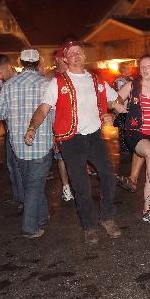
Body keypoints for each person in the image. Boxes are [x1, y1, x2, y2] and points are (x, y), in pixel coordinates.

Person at [24, 41, 121, 243]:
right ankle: (89, 226)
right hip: (71, 139)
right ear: (65, 59)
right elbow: (43, 109)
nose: (76, 55)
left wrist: (112, 113)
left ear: (84, 56)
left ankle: (107, 217)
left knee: (107, 175)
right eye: (71, 53)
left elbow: (115, 101)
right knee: (80, 184)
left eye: (79, 52)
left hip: (94, 135)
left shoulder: (96, 80)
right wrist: (32, 127)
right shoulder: (58, 82)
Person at [0, 49, 52, 238]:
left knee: (30, 183)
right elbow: (53, 113)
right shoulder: (47, 84)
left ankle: (42, 214)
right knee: (35, 184)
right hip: (42, 142)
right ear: (38, 63)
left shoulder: (9, 85)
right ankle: (29, 226)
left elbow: (0, 114)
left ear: (20, 62)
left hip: (18, 145)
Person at [114, 56, 150, 225]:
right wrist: (118, 105)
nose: (144, 69)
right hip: (136, 132)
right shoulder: (132, 85)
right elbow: (113, 100)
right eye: (141, 67)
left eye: (148, 66)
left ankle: (148, 211)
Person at [0, 55, 23, 207]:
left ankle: (24, 199)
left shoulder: (20, 81)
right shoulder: (4, 83)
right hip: (10, 129)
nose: (0, 75)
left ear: (8, 66)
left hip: (21, 129)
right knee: (11, 165)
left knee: (19, 166)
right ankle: (18, 196)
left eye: (0, 71)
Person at [45, 49, 74, 202]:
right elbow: (47, 107)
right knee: (62, 157)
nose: (64, 60)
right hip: (58, 124)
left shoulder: (73, 74)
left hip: (76, 123)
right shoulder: (50, 77)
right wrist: (52, 132)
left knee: (77, 156)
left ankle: (77, 186)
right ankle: (66, 188)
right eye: (61, 58)